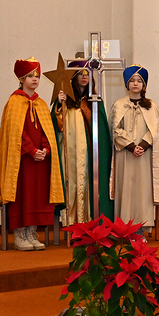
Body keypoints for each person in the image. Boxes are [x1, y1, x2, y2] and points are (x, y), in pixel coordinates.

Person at [0, 58, 64, 251]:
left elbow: (48, 130)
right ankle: (19, 235)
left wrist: (46, 149)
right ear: (21, 79)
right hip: (22, 160)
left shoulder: (41, 104)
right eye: (30, 76)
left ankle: (32, 233)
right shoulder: (14, 102)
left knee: (39, 195)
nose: (35, 79)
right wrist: (31, 150)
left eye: (37, 76)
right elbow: (15, 132)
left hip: (41, 160)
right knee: (23, 194)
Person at [50, 61, 114, 226]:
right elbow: (55, 127)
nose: (85, 77)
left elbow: (101, 131)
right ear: (73, 77)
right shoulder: (66, 101)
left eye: (87, 74)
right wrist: (59, 105)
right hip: (70, 151)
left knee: (87, 182)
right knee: (71, 182)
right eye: (81, 74)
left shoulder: (95, 101)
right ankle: (72, 220)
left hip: (89, 152)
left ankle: (90, 221)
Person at [110, 65, 159, 231]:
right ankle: (124, 228)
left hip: (144, 156)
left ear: (144, 85)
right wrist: (131, 146)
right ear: (127, 84)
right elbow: (115, 129)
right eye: (132, 81)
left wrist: (142, 145)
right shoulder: (119, 105)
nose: (135, 84)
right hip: (125, 155)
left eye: (139, 81)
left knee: (143, 191)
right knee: (126, 189)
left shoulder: (152, 106)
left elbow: (155, 129)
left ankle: (142, 228)